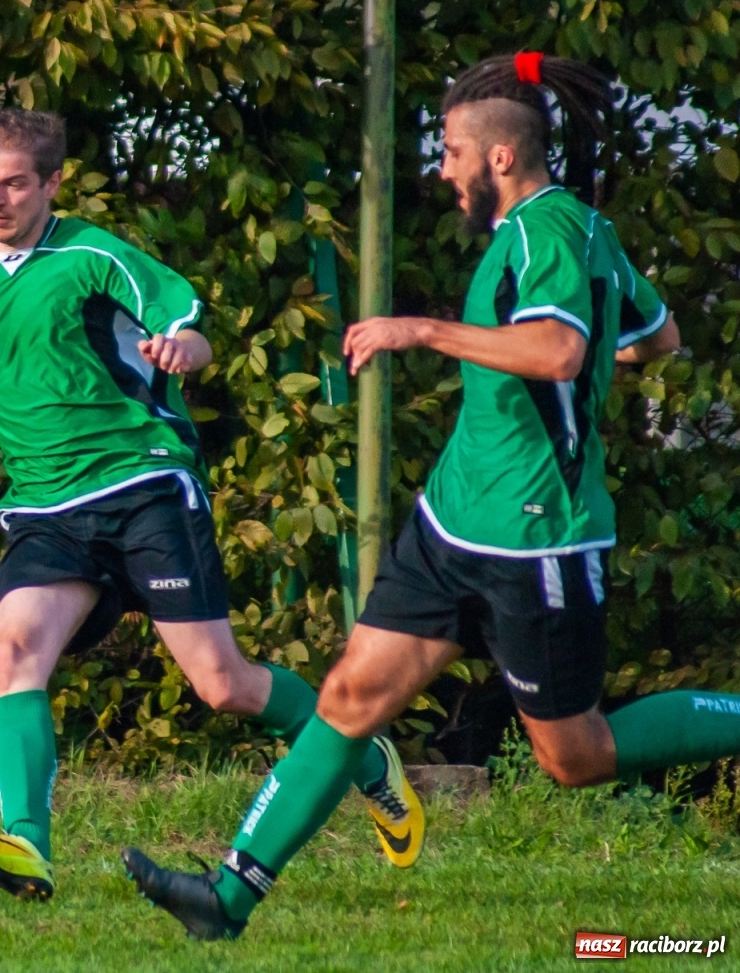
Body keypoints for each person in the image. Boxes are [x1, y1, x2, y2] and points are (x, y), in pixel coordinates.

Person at [118, 52, 740, 941]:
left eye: (451, 152)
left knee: (576, 756)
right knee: (348, 698)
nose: (442, 169)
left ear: (500, 157)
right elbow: (657, 334)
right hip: (452, 524)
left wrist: (421, 330)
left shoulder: (547, 234)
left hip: (535, 539)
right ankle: (225, 899)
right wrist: (587, 352)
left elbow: (560, 351)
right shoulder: (571, 230)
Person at [0, 108, 420, 902]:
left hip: (140, 487)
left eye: (15, 184)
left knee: (224, 686)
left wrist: (181, 349)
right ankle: (27, 847)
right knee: (15, 650)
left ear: (52, 183)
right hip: (44, 507)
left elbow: (189, 328)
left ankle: (365, 755)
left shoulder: (93, 255)